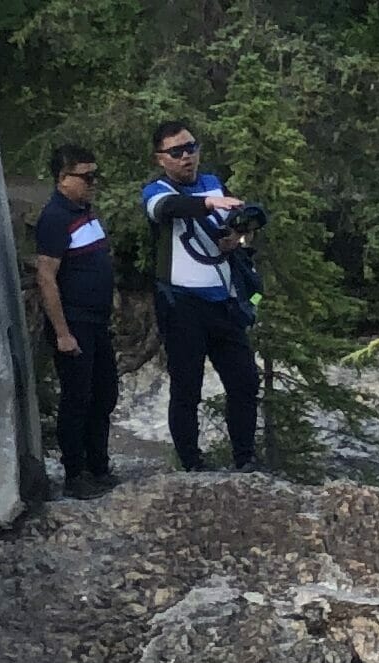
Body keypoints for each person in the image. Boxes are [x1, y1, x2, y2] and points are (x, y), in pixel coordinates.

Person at [141, 117, 263, 475]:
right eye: (176, 152)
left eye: (191, 148)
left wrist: (236, 238)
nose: (186, 157)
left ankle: (245, 458)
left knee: (243, 381)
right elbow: (168, 210)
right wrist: (209, 205)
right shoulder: (156, 190)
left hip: (222, 300)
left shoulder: (212, 183)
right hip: (181, 304)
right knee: (186, 387)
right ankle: (191, 463)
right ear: (160, 158)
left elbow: (234, 230)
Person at [29, 141, 119, 496]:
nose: (92, 183)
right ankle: (75, 472)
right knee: (77, 398)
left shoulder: (86, 211)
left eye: (95, 176)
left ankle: (98, 464)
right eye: (86, 177)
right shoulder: (55, 218)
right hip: (75, 321)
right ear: (63, 178)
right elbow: (46, 276)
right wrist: (62, 332)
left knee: (104, 393)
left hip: (97, 320)